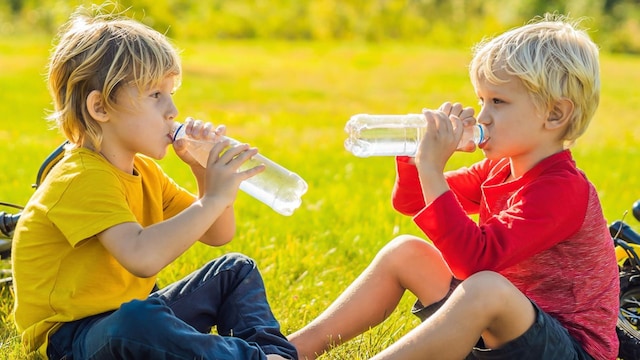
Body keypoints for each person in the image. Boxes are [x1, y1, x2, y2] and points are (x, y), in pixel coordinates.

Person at [289, 13, 618, 360]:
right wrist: (416, 155)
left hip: (569, 349)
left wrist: (432, 168)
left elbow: (473, 263)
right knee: (406, 252)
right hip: (501, 334)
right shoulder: (498, 169)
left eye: (498, 102)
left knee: (485, 287)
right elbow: (412, 201)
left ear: (554, 115)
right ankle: (283, 352)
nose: (482, 116)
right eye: (481, 100)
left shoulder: (562, 190)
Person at [11, 6, 297, 360]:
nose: (172, 109)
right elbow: (142, 257)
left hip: (128, 318)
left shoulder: (145, 171)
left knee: (235, 270)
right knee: (138, 320)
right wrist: (212, 199)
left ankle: (274, 353)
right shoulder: (80, 177)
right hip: (73, 339)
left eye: (171, 92)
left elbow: (218, 235)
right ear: (100, 108)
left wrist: (203, 172)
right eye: (155, 95)